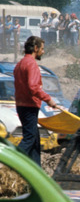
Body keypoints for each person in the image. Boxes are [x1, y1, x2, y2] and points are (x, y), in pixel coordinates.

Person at [13, 36, 62, 165]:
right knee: (29, 138)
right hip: (30, 106)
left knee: (34, 139)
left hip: (21, 105)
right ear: (36, 48)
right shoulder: (32, 64)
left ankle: (36, 169)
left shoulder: (20, 64)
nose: (43, 52)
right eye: (42, 49)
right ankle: (9, 164)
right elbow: (33, 87)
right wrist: (48, 99)